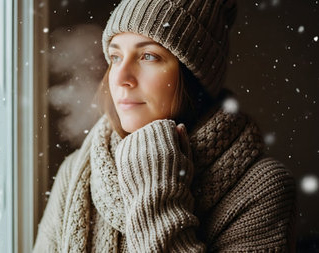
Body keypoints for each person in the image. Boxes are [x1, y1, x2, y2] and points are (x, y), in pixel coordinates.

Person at [33, 0, 296, 252]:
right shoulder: (76, 172)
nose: (121, 77)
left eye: (148, 56)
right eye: (115, 57)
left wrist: (155, 189)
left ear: (192, 77)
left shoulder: (262, 190)